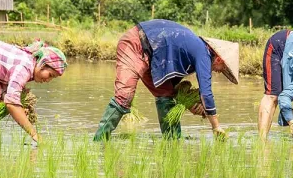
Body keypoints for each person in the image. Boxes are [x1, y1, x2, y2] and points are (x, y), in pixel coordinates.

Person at [93, 19, 239, 140]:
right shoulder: (203, 53)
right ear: (219, 59)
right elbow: (206, 93)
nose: (219, 72)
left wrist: (190, 104)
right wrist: (216, 127)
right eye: (222, 69)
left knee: (166, 96)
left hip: (154, 57)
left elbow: (174, 87)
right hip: (136, 44)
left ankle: (172, 143)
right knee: (124, 97)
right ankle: (98, 142)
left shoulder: (193, 51)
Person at [0, 29, 68, 144]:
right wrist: (35, 135)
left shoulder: (29, 63)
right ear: (43, 64)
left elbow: (8, 91)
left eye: (52, 78)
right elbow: (11, 104)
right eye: (50, 75)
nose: (48, 80)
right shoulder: (24, 68)